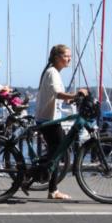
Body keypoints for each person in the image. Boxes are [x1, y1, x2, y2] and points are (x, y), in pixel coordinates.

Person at [35, 44, 87, 200]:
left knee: (56, 151)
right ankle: (50, 187)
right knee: (58, 151)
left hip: (50, 118)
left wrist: (71, 99)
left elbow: (55, 96)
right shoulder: (52, 72)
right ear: (57, 57)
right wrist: (76, 94)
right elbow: (58, 94)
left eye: (70, 56)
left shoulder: (53, 71)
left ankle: (51, 187)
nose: (69, 58)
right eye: (66, 56)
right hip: (49, 119)